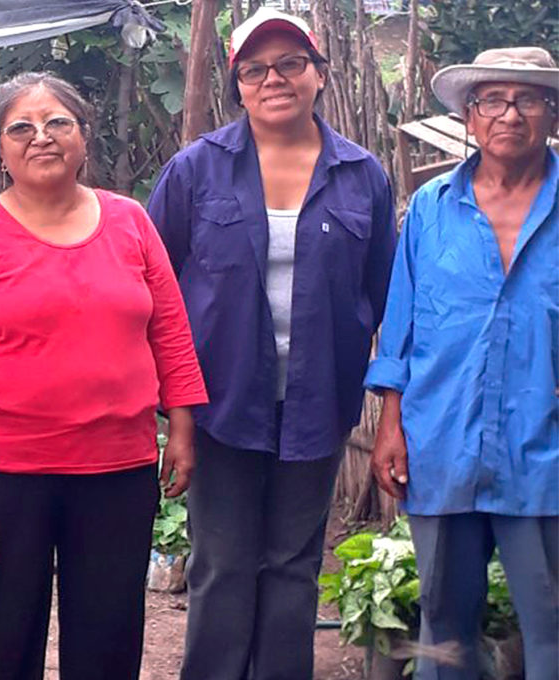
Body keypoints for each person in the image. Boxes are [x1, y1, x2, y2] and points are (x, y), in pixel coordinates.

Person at [0, 72, 207, 680]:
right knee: (2, 633)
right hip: (4, 472)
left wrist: (181, 427)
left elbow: (171, 334)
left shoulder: (130, 221)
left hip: (117, 469)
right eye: (20, 127)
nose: (41, 137)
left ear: (83, 135)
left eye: (58, 123)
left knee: (108, 633)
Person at [146, 8, 396, 679]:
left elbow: (384, 295)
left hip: (318, 406)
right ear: (237, 85)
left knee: (293, 566)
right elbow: (151, 290)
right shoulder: (196, 171)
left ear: (319, 73)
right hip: (220, 405)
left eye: (290, 63)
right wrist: (170, 408)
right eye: (255, 69)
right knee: (222, 565)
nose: (273, 78)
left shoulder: (362, 176)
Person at [365, 47, 558, 680]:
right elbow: (401, 326)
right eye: (492, 101)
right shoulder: (430, 209)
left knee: (551, 623)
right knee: (444, 625)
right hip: (441, 443)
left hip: (545, 454)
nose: (509, 114)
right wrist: (390, 424)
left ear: (550, 114)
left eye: (527, 99)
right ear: (470, 119)